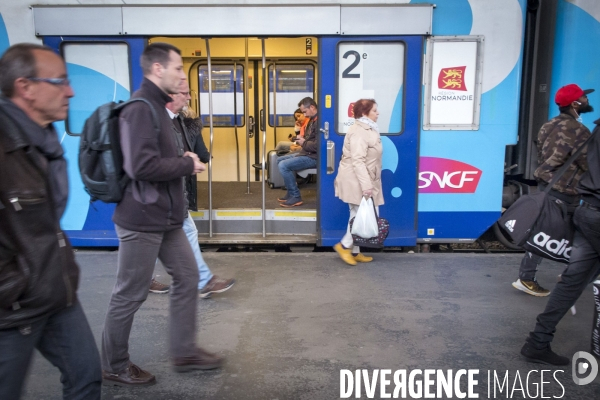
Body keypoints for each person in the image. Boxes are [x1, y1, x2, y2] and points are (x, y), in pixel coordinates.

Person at [101, 43, 224, 387]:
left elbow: (156, 158)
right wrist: (186, 163)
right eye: (178, 69)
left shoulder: (159, 109)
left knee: (187, 278)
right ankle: (114, 364)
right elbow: (140, 166)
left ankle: (184, 350)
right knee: (129, 294)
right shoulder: (141, 108)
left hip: (167, 218)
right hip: (141, 219)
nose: (182, 77)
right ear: (158, 69)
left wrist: (182, 157)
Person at [0, 43, 102, 399]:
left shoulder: (43, 142)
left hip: (57, 291)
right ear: (26, 87)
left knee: (86, 376)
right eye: (59, 81)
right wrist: (14, 285)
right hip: (13, 307)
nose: (70, 91)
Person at [520, 114, 600, 366]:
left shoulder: (595, 129)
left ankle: (538, 342)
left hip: (588, 210)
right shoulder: (580, 128)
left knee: (571, 282)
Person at [512, 84, 593, 297]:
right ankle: (568, 276)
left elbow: (543, 156)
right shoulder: (580, 131)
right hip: (567, 191)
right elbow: (588, 164)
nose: (586, 100)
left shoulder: (547, 125)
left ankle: (528, 277)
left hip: (546, 185)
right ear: (575, 103)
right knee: (582, 233)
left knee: (540, 231)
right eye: (584, 97)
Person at [165, 83, 235, 299]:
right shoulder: (157, 122)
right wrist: (188, 162)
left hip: (172, 193)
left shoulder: (177, 122)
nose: (188, 99)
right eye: (184, 94)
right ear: (170, 95)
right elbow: (153, 162)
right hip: (160, 195)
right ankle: (201, 281)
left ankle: (202, 281)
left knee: (178, 234)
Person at [333, 99, 383, 266]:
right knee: (359, 215)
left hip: (363, 178)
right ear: (364, 113)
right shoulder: (360, 132)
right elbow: (358, 161)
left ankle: (355, 252)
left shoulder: (368, 129)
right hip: (357, 180)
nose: (378, 113)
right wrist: (366, 186)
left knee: (359, 215)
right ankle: (344, 246)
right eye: (375, 110)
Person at [277, 97, 319, 207]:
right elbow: (309, 138)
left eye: (305, 112)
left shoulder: (319, 122)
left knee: (283, 165)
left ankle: (295, 196)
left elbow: (317, 145)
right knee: (279, 160)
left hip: (313, 157)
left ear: (312, 107)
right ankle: (291, 192)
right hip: (307, 152)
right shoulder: (312, 120)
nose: (304, 115)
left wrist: (303, 142)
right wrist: (301, 138)